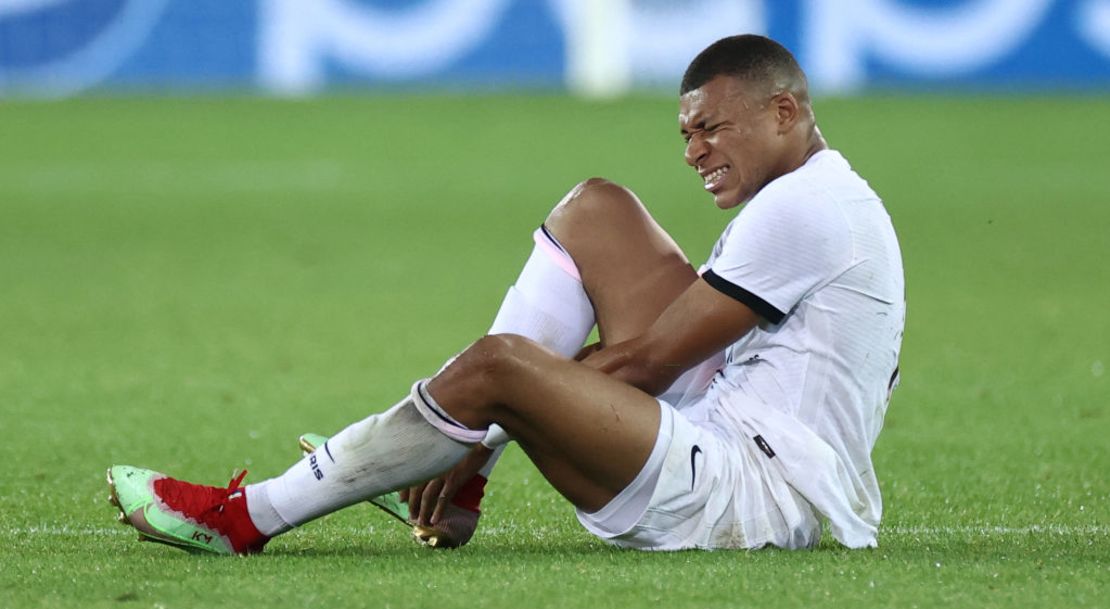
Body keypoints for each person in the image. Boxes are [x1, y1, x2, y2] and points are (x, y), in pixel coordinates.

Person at [106, 34, 904, 555]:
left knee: (496, 368)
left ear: (784, 111)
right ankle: (461, 473)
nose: (694, 152)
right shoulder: (813, 194)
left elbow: (654, 360)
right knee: (597, 207)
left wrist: (482, 426)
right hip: (732, 425)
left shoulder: (804, 209)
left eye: (712, 130)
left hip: (745, 497)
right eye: (686, 133)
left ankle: (248, 517)